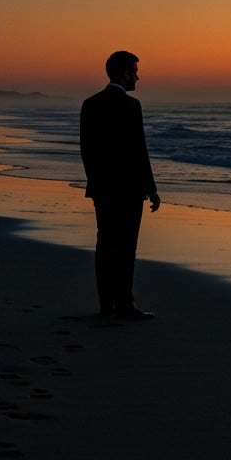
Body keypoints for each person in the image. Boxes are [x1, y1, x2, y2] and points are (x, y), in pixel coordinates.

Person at [80, 50, 162, 321]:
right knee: (126, 247)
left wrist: (96, 182)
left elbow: (86, 150)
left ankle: (106, 305)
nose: (138, 76)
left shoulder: (89, 104)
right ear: (125, 73)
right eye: (135, 71)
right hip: (128, 189)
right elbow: (140, 150)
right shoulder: (131, 106)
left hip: (103, 188)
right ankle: (124, 304)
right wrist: (151, 189)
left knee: (105, 245)